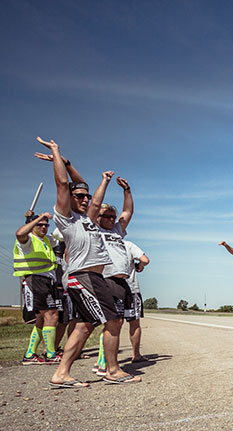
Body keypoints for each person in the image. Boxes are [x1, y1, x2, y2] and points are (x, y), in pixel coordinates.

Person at [37, 136, 141, 388]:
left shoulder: (87, 219)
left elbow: (89, 194)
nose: (84, 199)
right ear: (69, 199)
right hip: (83, 276)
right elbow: (64, 184)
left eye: (86, 196)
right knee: (114, 320)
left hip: (91, 277)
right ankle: (113, 370)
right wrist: (56, 152)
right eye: (79, 196)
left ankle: (62, 373)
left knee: (84, 326)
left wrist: (100, 179)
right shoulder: (66, 218)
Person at [92, 179, 136, 377]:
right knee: (112, 322)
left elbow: (128, 213)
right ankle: (106, 365)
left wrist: (127, 190)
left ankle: (103, 362)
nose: (111, 220)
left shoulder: (117, 231)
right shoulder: (94, 229)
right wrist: (105, 183)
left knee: (117, 323)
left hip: (121, 281)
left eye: (113, 217)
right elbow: (93, 207)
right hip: (106, 278)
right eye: (107, 216)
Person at [14, 212, 60, 364]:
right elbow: (20, 232)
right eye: (39, 224)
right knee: (51, 314)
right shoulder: (28, 240)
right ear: (33, 225)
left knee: (41, 319)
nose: (43, 227)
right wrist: (35, 219)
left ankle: (30, 355)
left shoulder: (46, 240)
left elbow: (62, 234)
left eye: (46, 224)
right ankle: (51, 354)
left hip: (47, 280)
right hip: (36, 279)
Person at [123, 239, 149, 362]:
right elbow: (145, 260)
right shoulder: (127, 244)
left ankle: (103, 360)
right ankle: (136, 354)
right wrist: (139, 266)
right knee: (134, 323)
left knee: (111, 325)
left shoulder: (100, 241)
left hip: (110, 287)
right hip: (131, 287)